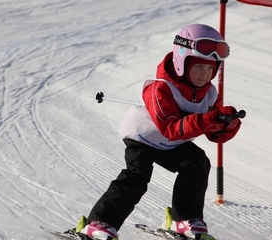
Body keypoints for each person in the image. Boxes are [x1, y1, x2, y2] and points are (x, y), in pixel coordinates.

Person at [78, 23, 242, 240]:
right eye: (199, 67)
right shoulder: (160, 87)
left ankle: (184, 220)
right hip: (143, 138)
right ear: (182, 63)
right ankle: (99, 223)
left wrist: (227, 125)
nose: (204, 74)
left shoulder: (210, 93)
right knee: (137, 176)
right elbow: (170, 128)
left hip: (172, 145)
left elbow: (213, 133)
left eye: (210, 68)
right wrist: (205, 120)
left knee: (197, 163)